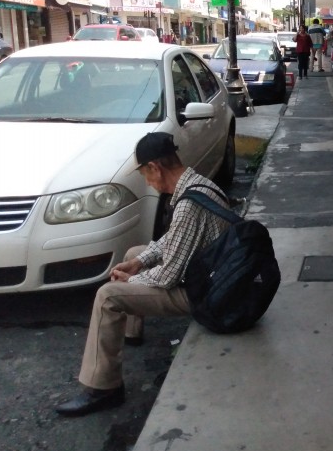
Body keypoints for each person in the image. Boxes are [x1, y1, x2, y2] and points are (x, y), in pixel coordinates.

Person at [55, 132, 231, 417]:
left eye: (144, 175)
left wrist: (131, 280)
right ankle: (129, 333)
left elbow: (169, 276)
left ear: (154, 168)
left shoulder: (188, 205)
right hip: (212, 273)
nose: (147, 182)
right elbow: (175, 239)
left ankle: (103, 388)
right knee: (132, 254)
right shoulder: (198, 185)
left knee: (108, 295)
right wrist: (139, 261)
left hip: (206, 293)